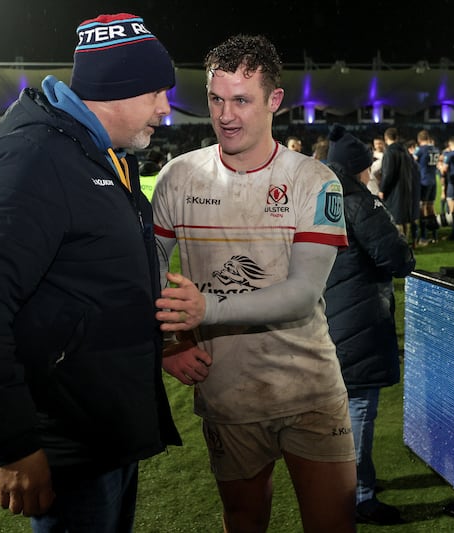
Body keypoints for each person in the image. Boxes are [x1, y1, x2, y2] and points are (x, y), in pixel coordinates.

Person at [0, 13, 182, 532]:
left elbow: (93, 286)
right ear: (116, 86)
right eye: (156, 91)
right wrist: (14, 446)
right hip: (67, 445)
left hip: (104, 433)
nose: (165, 109)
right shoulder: (33, 160)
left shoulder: (100, 156)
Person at [152, 34, 357, 532]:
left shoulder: (315, 179)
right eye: (216, 99)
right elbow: (149, 267)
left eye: (241, 100)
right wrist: (169, 344)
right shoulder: (178, 177)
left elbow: (302, 294)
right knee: (243, 521)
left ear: (274, 100)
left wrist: (206, 311)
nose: (225, 115)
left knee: (333, 525)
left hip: (309, 387)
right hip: (228, 391)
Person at [324, 124, 415, 525]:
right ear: (358, 167)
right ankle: (359, 495)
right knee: (358, 407)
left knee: (335, 410)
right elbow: (397, 258)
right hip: (358, 314)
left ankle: (343, 484)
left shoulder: (317, 195)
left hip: (326, 313)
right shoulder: (358, 200)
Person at [380, 127, 420, 243]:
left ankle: (400, 245)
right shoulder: (406, 152)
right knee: (404, 219)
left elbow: (388, 173)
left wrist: (383, 189)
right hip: (407, 189)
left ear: (386, 138)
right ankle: (406, 242)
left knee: (396, 219)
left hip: (394, 191)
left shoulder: (390, 152)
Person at [413, 129, 440, 246]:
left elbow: (412, 161)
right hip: (433, 181)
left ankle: (423, 237)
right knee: (431, 208)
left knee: (422, 208)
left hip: (423, 181)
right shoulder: (435, 149)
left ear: (419, 140)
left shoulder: (420, 150)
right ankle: (434, 235)